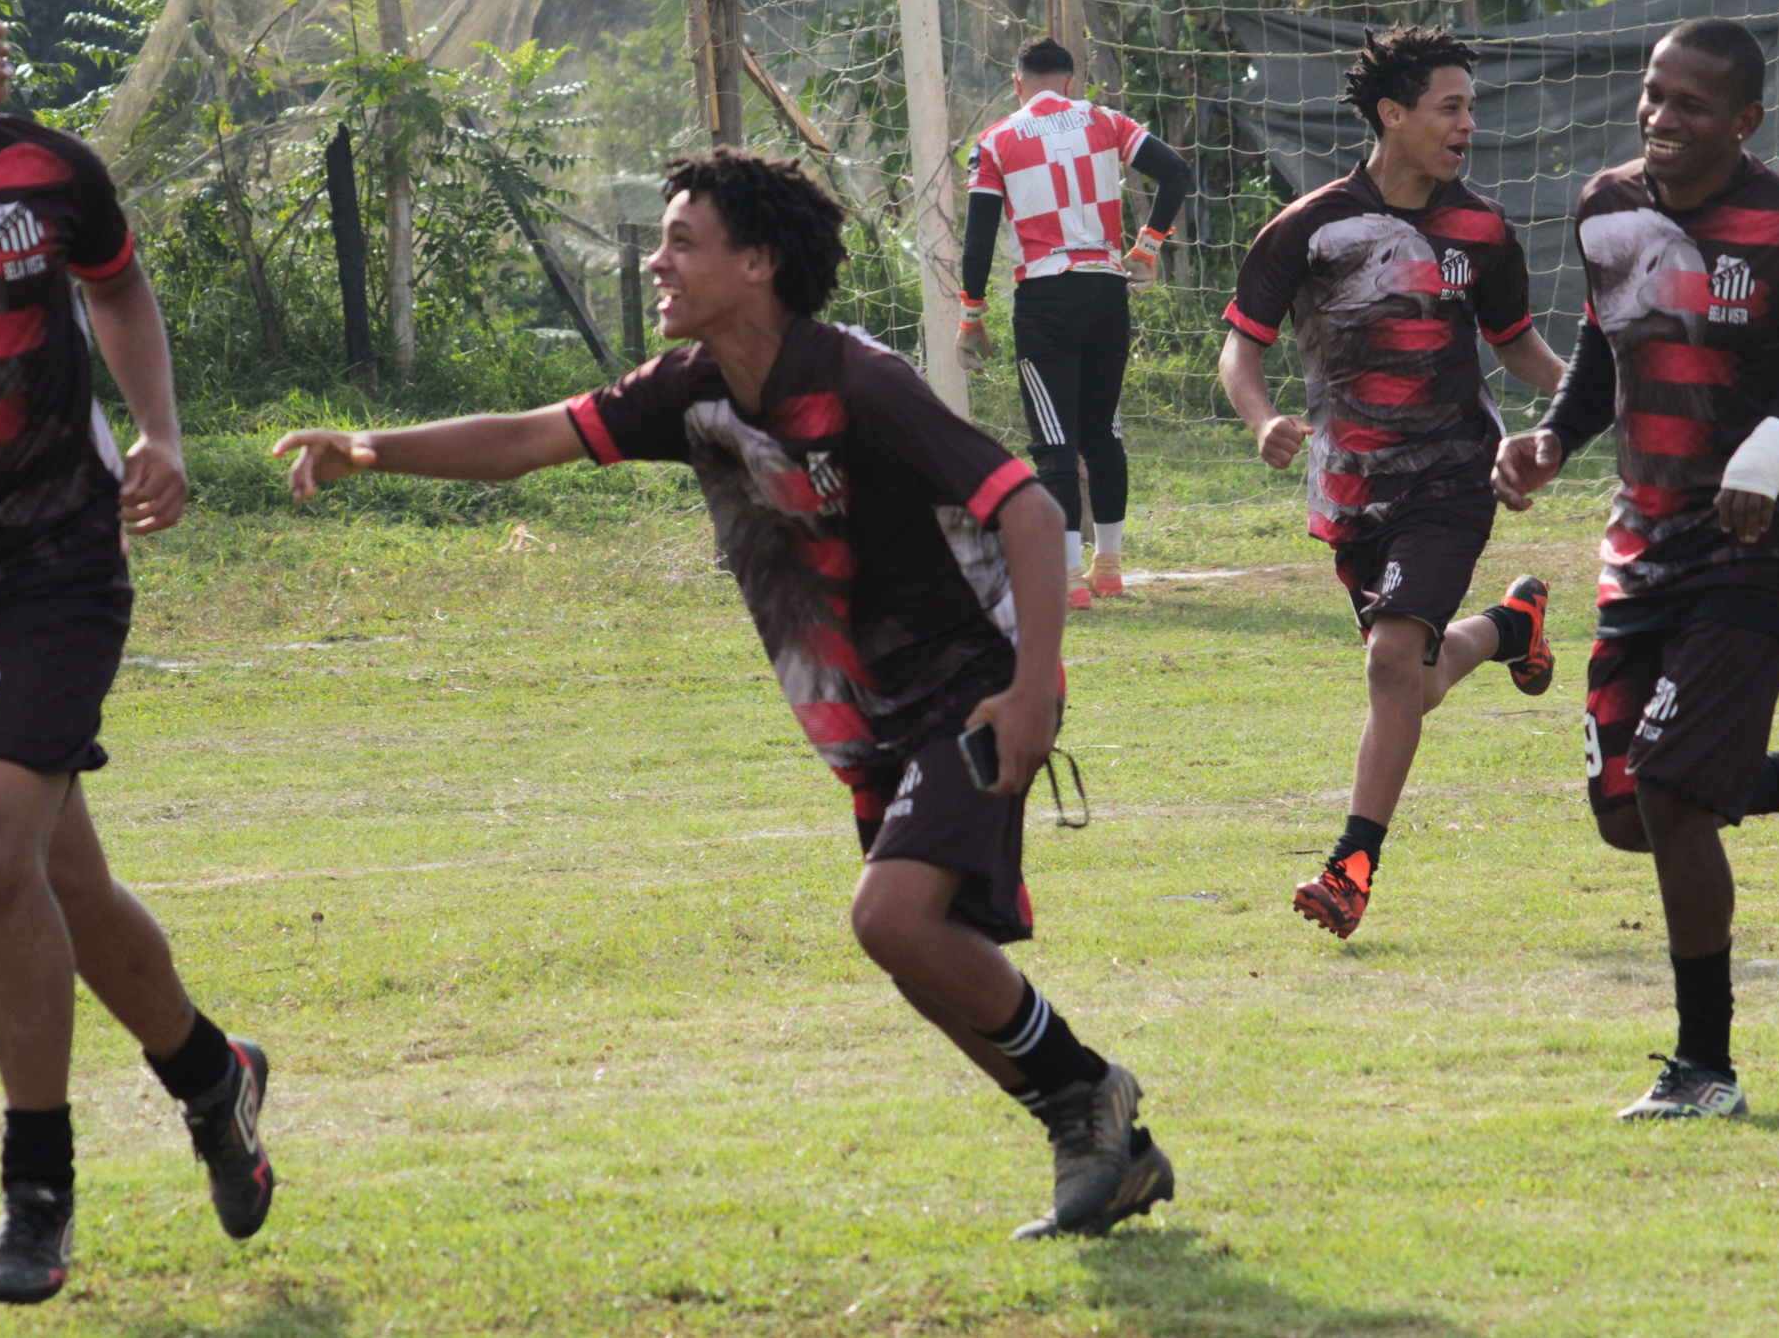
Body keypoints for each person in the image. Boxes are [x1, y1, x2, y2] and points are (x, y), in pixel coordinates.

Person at [276, 148, 1173, 1239]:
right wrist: (368, 452)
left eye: (680, 242)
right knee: (917, 952)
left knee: (893, 921)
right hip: (876, 714)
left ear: (756, 263)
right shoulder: (691, 389)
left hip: (975, 689)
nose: (654, 261)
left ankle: (1089, 1098)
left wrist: (1034, 693)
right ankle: (1102, 1144)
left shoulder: (859, 382)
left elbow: (1026, 508)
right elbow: (523, 441)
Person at [0, 0, 271, 1302]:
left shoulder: (47, 166)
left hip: (57, 566)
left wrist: (158, 429)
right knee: (62, 882)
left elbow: (119, 282)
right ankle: (216, 1076)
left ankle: (36, 1191)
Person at [1498, 18, 1779, 1121]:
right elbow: (1610, 346)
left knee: (1669, 791)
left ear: (1744, 122)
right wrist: (1556, 435)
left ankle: (1705, 1069)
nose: (1660, 117)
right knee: (1627, 813)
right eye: (1653, 94)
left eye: (1690, 105)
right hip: (1637, 544)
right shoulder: (1607, 209)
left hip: (1760, 552)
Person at [1218, 24, 1565, 940]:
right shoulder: (1308, 227)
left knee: (1386, 663)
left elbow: (1516, 345)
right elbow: (1239, 349)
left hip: (1455, 472)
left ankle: (1351, 866)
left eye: (1471, 108)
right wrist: (1263, 422)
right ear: (1393, 113)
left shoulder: (1482, 226)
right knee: (1415, 678)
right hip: (1353, 488)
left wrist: (1586, 393)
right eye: (1450, 107)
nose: (1467, 125)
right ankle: (1508, 626)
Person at [958, 37, 1196, 608]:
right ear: (1070, 82)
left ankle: (1067, 582)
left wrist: (972, 312)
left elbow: (980, 235)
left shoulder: (995, 140)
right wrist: (1148, 246)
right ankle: (1109, 568)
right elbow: (1176, 172)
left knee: (1054, 440)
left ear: (1018, 84)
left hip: (1045, 295)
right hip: (1106, 288)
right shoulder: (1104, 120)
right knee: (1102, 431)